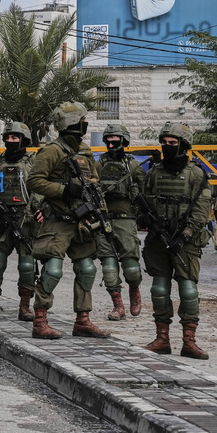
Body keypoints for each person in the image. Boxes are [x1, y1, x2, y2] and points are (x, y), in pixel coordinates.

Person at [26, 102, 110, 340]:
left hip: (82, 220)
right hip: (58, 220)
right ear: (74, 122)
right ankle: (40, 321)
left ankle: (82, 321)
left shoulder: (84, 150)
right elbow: (34, 181)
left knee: (87, 267)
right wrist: (64, 189)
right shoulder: (52, 151)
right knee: (52, 270)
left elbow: (93, 180)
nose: (86, 123)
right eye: (83, 120)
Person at [142, 122, 212, 360]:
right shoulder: (154, 172)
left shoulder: (196, 174)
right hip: (159, 239)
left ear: (183, 146)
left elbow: (202, 210)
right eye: (164, 143)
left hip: (186, 241)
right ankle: (162, 339)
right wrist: (147, 219)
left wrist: (185, 236)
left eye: (172, 143)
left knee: (188, 289)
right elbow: (145, 200)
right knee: (159, 288)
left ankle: (189, 342)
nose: (167, 147)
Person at [0, 121, 38, 323]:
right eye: (8, 138)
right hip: (3, 219)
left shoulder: (33, 162)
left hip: (25, 219)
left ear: (23, 140)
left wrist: (35, 210)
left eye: (15, 138)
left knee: (27, 265)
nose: (11, 141)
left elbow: (41, 189)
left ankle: (25, 307)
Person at [95, 123, 145, 321]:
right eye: (108, 140)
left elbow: (144, 193)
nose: (111, 143)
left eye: (115, 140)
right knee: (108, 268)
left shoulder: (133, 166)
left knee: (131, 268)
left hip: (127, 221)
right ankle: (118, 305)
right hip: (104, 220)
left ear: (124, 141)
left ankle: (134, 290)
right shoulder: (98, 165)